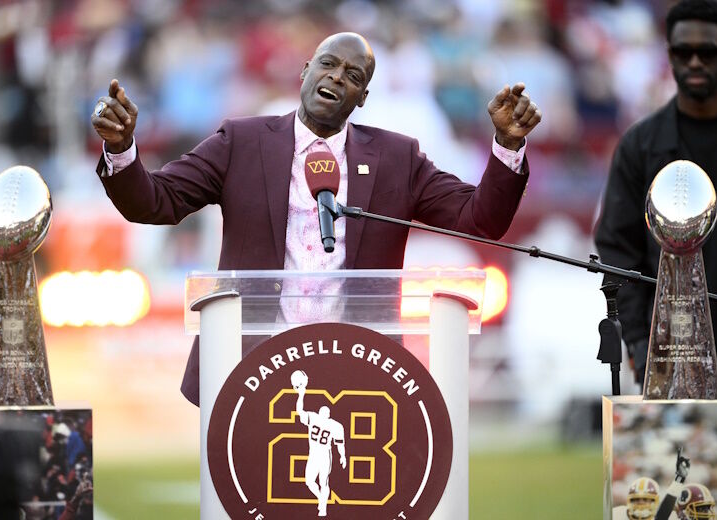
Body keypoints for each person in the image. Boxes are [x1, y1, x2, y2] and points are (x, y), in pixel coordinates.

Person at [91, 32, 542, 406]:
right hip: (250, 367)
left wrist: (506, 144)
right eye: (328, 64)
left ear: (363, 96)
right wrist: (122, 148)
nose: (336, 77)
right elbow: (155, 201)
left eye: (353, 76)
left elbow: (479, 218)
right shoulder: (241, 142)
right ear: (306, 71)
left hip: (358, 372)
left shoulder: (396, 158)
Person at [595, 0, 717, 385]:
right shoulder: (640, 145)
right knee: (672, 448)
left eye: (708, 52)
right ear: (669, 55)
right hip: (667, 345)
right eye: (684, 52)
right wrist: (634, 336)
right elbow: (617, 246)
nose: (695, 62)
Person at [294, 373, 346, 518]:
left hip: (323, 455)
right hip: (315, 455)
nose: (325, 412)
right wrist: (342, 455)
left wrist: (301, 395)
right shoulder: (332, 424)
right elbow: (340, 444)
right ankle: (321, 499)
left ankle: (322, 507)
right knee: (309, 482)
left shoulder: (317, 419)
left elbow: (299, 411)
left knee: (323, 482)